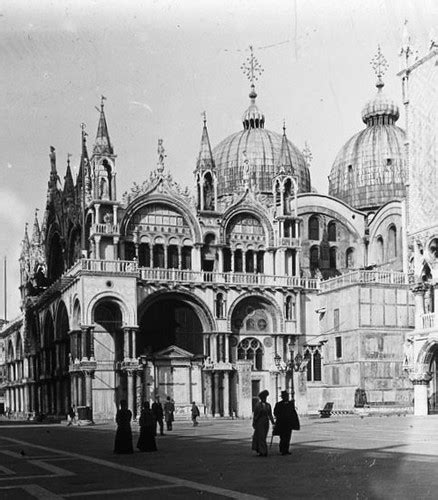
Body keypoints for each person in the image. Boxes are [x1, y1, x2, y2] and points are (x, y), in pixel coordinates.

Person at [273, 390, 300, 455]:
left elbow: (293, 413)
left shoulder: (290, 404)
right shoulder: (279, 404)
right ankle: (282, 449)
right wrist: (280, 417)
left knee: (288, 437)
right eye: (285, 396)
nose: (286, 397)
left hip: (288, 423)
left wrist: (295, 422)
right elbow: (275, 412)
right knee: (282, 437)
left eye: (287, 396)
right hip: (281, 423)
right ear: (283, 397)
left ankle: (286, 449)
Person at [251, 390, 274, 457]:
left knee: (264, 436)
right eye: (263, 398)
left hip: (266, 422)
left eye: (265, 397)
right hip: (259, 422)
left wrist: (273, 422)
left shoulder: (268, 405)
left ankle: (262, 450)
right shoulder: (258, 405)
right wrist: (254, 423)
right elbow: (255, 415)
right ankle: (263, 451)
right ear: (261, 398)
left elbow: (270, 415)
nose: (265, 399)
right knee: (261, 437)